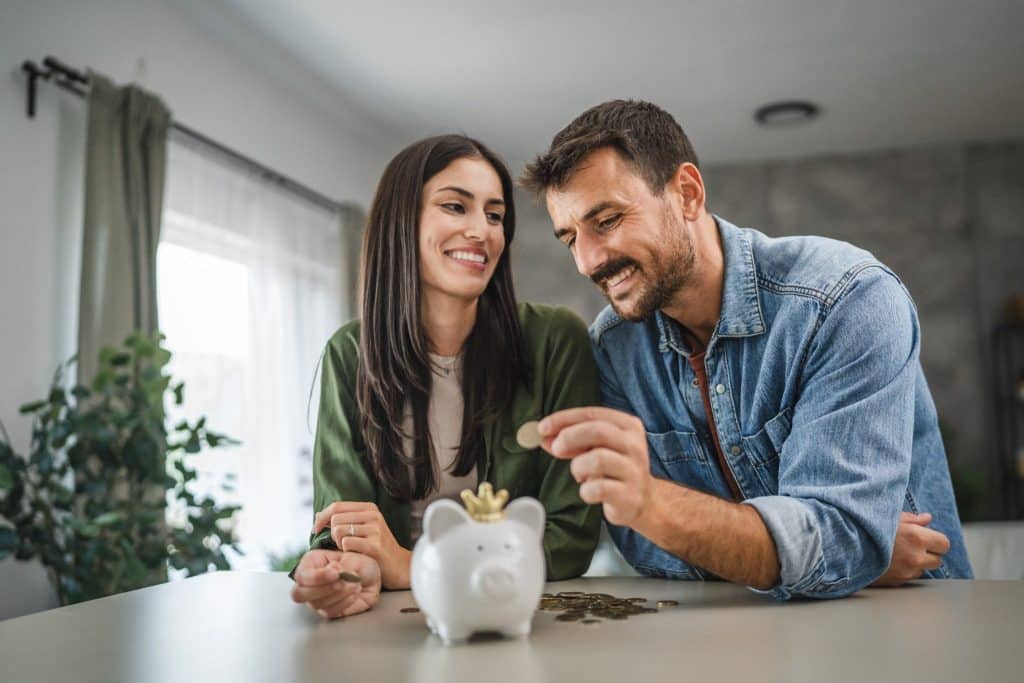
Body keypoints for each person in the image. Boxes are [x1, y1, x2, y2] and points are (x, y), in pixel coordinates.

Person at [519, 100, 973, 599]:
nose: (586, 262)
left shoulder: (847, 299)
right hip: (740, 642)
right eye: (570, 239)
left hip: (903, 625)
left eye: (605, 221)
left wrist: (664, 510)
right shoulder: (615, 347)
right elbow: (637, 541)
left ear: (687, 193)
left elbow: (844, 537)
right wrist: (823, 557)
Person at [290, 135, 602, 619]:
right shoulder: (348, 355)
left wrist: (409, 565)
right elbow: (339, 527)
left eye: (495, 215)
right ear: (401, 223)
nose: (481, 230)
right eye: (456, 206)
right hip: (393, 625)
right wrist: (340, 570)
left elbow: (570, 538)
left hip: (512, 616)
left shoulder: (555, 341)